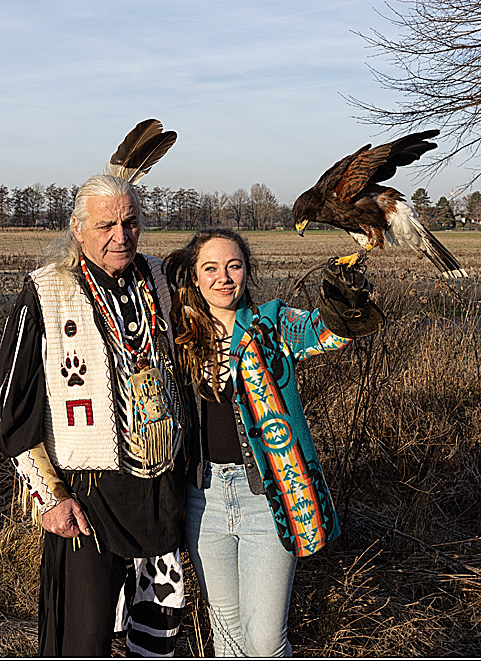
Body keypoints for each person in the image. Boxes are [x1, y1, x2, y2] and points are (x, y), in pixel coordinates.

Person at [163, 228, 383, 657]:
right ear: (193, 277)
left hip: (269, 499)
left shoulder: (272, 323)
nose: (224, 277)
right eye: (210, 268)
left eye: (234, 266)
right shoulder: (179, 336)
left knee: (264, 641)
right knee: (225, 636)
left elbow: (326, 332)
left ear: (247, 271)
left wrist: (346, 304)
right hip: (201, 501)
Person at [0, 172, 188, 657]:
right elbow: (10, 406)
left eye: (130, 222)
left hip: (158, 491)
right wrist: (49, 498)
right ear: (78, 229)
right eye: (105, 226)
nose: (120, 236)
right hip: (87, 498)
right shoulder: (46, 291)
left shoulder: (160, 280)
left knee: (155, 633)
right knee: (83, 638)